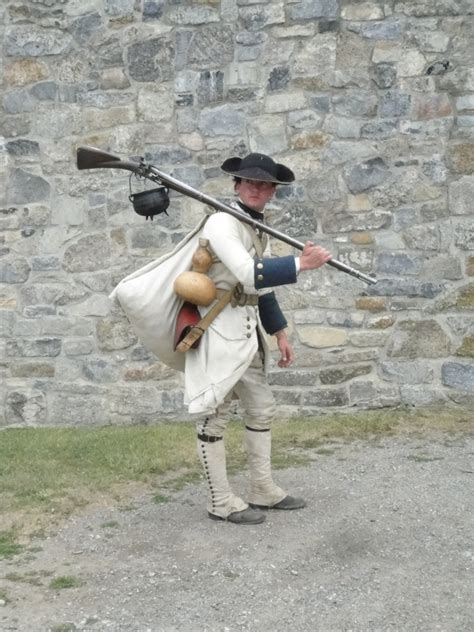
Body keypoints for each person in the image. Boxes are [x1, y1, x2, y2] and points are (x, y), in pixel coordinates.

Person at [183, 152, 332, 525]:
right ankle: (220, 500)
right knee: (213, 417)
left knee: (261, 408)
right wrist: (302, 263)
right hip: (216, 332)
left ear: (273, 193)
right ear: (237, 185)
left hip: (247, 335)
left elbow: (259, 290)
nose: (258, 189)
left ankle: (261, 489)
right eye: (251, 182)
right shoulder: (221, 222)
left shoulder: (255, 226)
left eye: (265, 185)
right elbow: (250, 275)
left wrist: (279, 332)